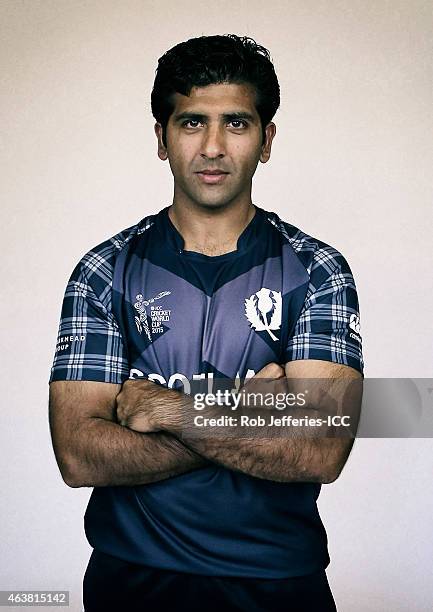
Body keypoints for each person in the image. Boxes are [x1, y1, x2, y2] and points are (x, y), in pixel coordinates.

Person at [48, 34, 364, 612]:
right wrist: (255, 412)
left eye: (237, 124)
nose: (213, 147)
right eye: (191, 122)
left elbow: (323, 447)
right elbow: (77, 455)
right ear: (161, 139)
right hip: (133, 579)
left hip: (277, 581)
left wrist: (174, 413)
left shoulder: (318, 270)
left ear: (266, 141)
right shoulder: (102, 271)